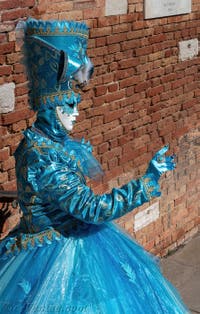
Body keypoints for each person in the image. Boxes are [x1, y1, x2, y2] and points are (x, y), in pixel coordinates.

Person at [0, 18, 188, 314]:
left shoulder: (43, 142)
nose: (75, 115)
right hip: (57, 258)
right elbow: (93, 209)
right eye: (68, 107)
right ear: (51, 108)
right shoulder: (44, 156)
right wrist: (148, 180)